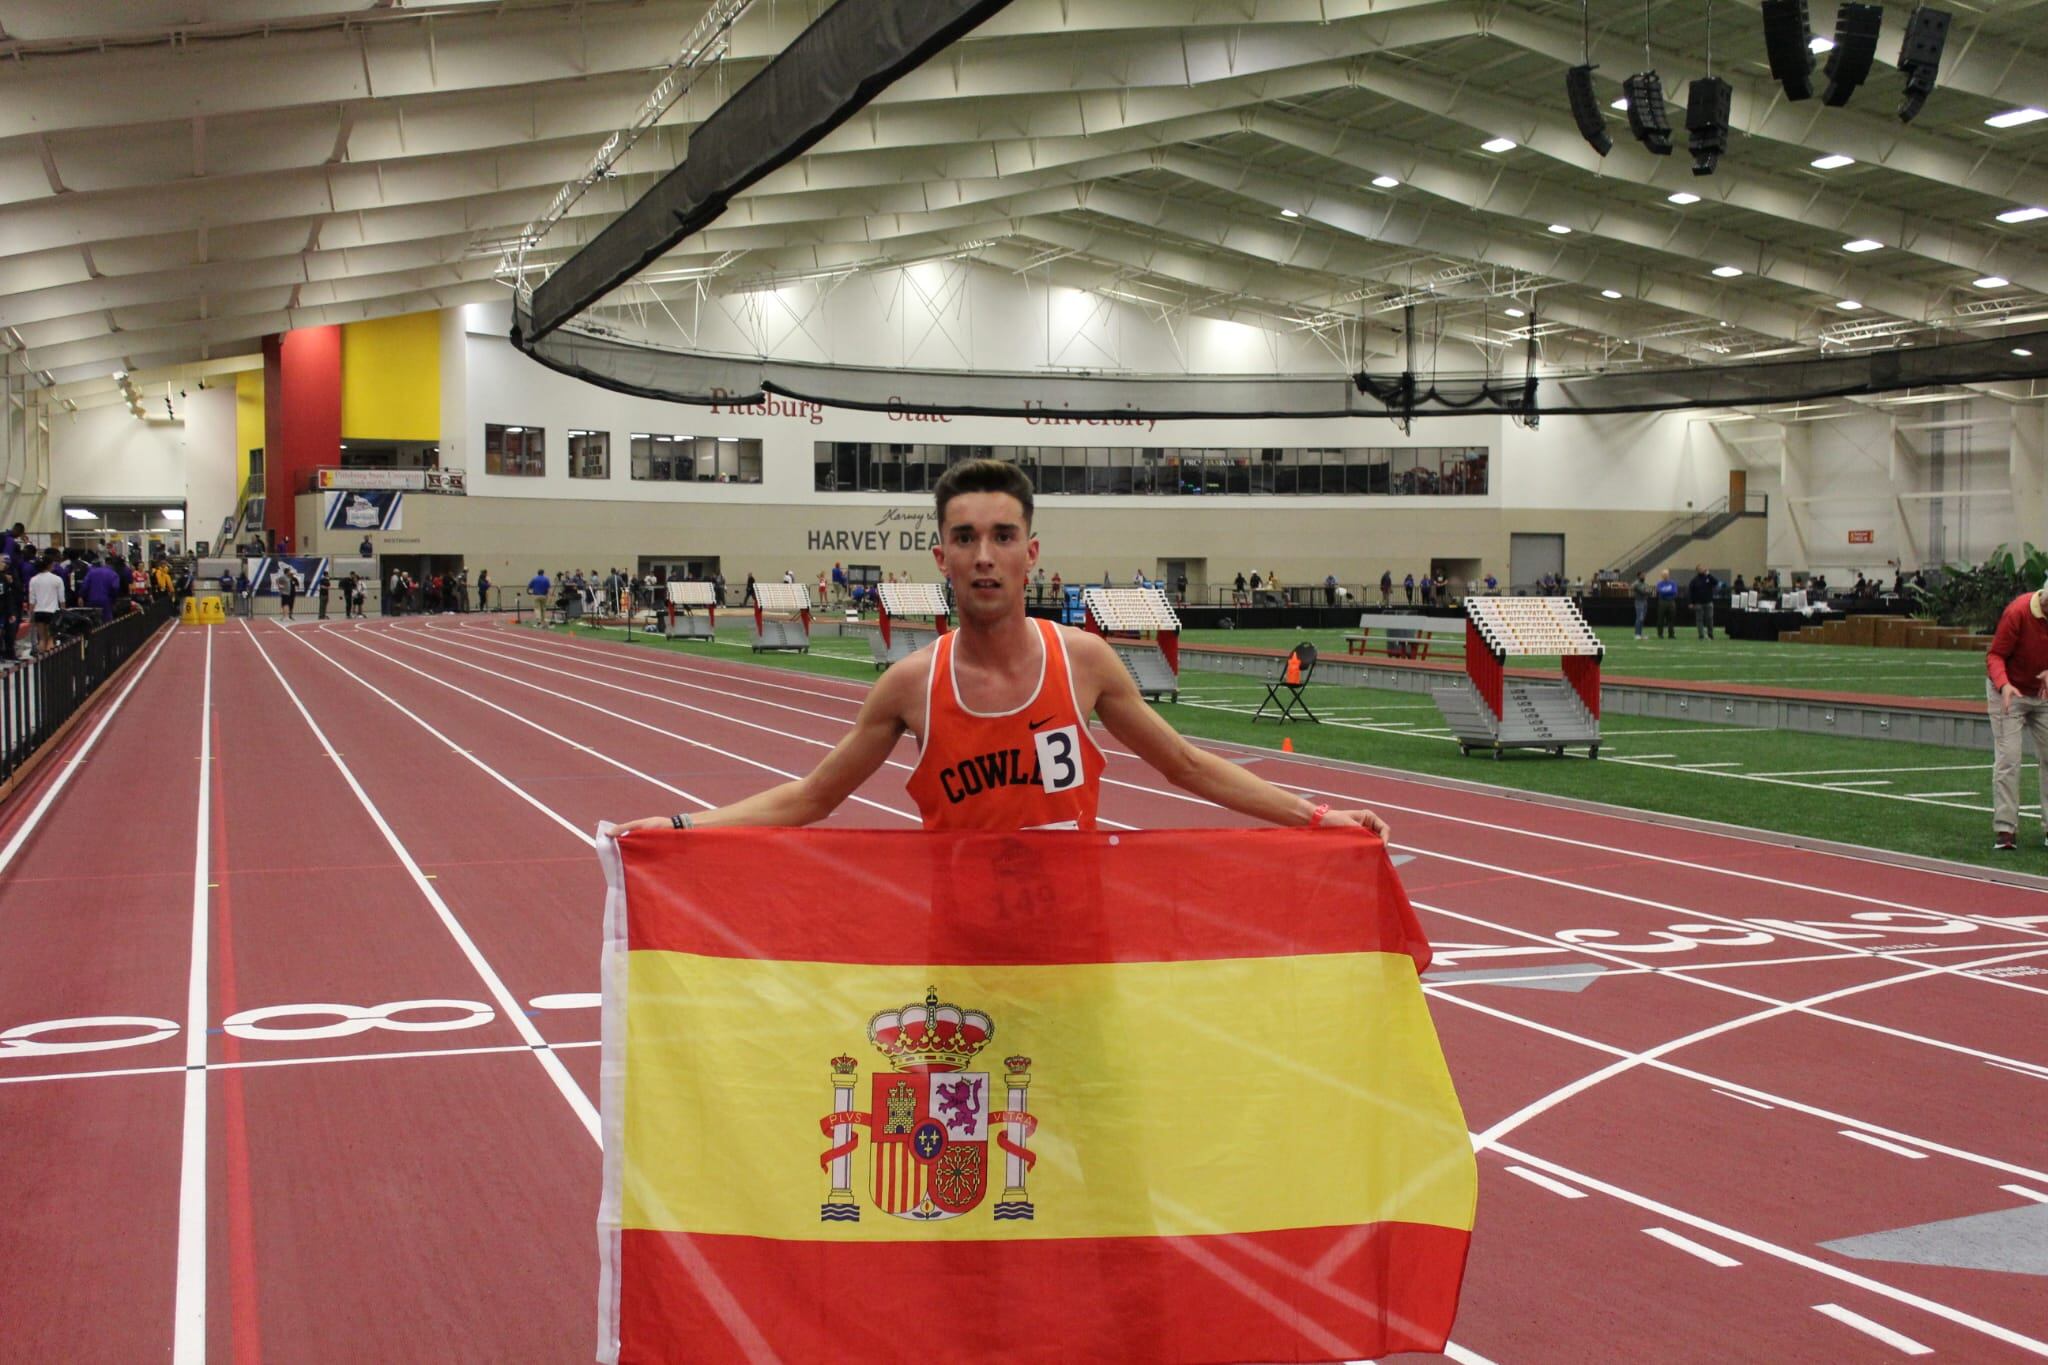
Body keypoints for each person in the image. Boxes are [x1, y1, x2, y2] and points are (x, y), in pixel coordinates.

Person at [612, 460, 1388, 839]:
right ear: (941, 556)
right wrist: (680, 830)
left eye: (1003, 536)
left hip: (1073, 953)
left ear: (1030, 554)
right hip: (958, 959)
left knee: (1084, 1117)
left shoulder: (1084, 662)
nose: (984, 554)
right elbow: (811, 798)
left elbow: (1187, 765)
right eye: (965, 537)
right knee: (966, 1120)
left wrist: (1318, 817)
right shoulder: (909, 686)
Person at [1987, 579, 2048, 851]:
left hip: (2043, 694)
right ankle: (2005, 829)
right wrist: (2004, 685)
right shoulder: (2018, 612)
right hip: (2009, 692)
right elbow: (1995, 655)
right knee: (2009, 759)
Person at [28, 553, 64, 653]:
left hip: (39, 612)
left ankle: (41, 658)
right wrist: (63, 612)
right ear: (49, 565)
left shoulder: (33, 580)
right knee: (51, 638)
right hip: (52, 612)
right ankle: (50, 659)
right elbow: (62, 599)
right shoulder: (57, 579)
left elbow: (32, 600)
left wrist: (31, 615)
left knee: (42, 638)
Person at [1688, 565, 1717, 640]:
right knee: (1699, 620)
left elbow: (1715, 582)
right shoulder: (1694, 580)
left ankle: (1710, 634)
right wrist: (1691, 602)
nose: (1701, 570)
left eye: (1702, 568)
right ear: (1697, 570)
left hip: (1708, 602)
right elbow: (1691, 592)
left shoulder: (1708, 578)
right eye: (1699, 569)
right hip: (1698, 603)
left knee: (1709, 618)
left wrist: (1709, 575)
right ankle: (1701, 635)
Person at [1655, 568, 1679, 639]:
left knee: (1671, 619)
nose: (1665, 576)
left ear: (1669, 575)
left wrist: (1665, 592)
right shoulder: (1659, 584)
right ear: (1662, 576)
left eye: (1666, 574)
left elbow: (1674, 591)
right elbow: (1660, 592)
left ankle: (1671, 634)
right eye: (1664, 575)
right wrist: (1668, 592)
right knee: (1660, 619)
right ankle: (1660, 634)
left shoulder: (1673, 583)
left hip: (1671, 602)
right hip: (1662, 602)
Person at [1632, 572, 1651, 640]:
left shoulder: (1645, 584)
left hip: (1645, 601)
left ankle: (1640, 634)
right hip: (1639, 601)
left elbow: (1649, 591)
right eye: (1642, 575)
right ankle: (1637, 634)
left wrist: (1647, 591)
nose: (1643, 577)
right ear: (1638, 576)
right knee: (1639, 618)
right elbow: (1643, 591)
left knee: (1642, 619)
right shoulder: (1636, 584)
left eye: (1644, 575)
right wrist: (1646, 591)